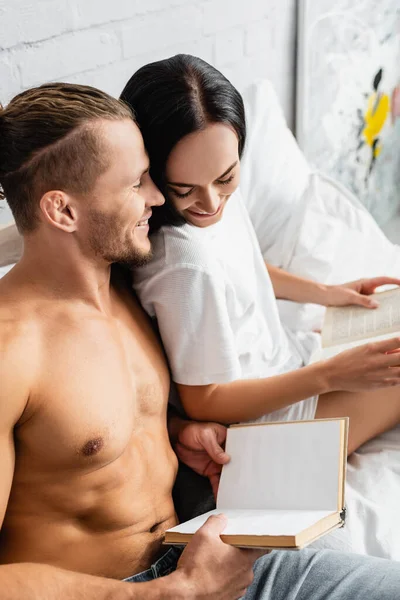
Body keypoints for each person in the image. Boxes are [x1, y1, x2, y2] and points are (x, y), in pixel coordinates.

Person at [0, 82, 400, 600]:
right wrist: (167, 594)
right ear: (63, 211)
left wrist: (179, 430)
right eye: (136, 182)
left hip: (199, 551)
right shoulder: (11, 353)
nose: (157, 197)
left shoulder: (124, 284)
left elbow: (76, 429)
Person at [121, 54, 400, 455]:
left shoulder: (208, 207)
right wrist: (330, 375)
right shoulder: (183, 265)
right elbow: (203, 400)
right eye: (183, 189)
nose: (211, 202)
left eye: (226, 177)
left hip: (289, 364)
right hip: (270, 425)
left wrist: (327, 292)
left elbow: (241, 267)